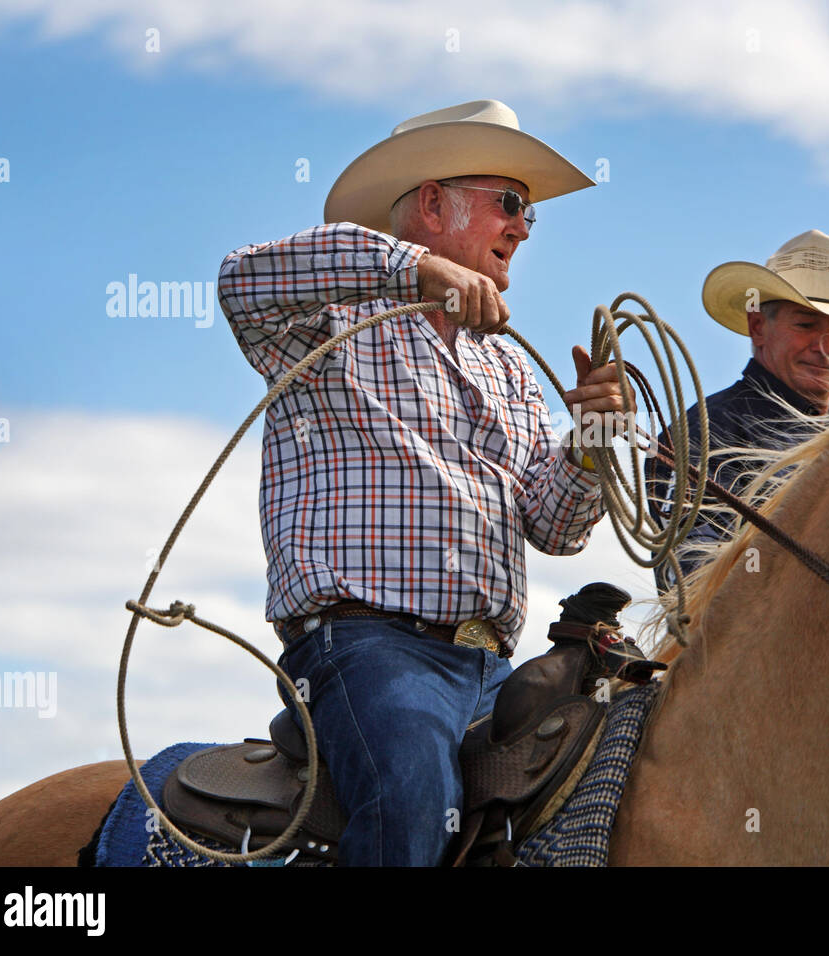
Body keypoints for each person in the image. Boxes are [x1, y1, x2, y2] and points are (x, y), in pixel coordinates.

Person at [217, 100, 627, 866]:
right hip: (366, 647)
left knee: (606, 783)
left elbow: (556, 527)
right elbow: (242, 279)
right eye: (509, 205)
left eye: (530, 217)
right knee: (411, 796)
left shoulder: (506, 364)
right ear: (434, 205)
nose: (522, 229)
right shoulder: (334, 320)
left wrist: (591, 442)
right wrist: (410, 269)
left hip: (491, 667)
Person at [647, 230, 829, 585]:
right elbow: (694, 584)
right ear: (757, 328)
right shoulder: (704, 433)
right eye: (806, 325)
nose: (827, 347)